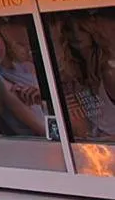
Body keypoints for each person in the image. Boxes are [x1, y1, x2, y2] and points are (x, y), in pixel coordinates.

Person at [49, 12, 115, 142]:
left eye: (82, 29)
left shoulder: (108, 71)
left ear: (93, 32)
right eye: (69, 29)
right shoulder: (72, 73)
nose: (75, 35)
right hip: (90, 144)